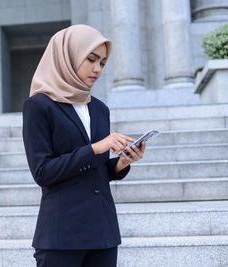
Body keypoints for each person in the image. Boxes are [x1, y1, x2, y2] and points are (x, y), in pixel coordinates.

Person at [22, 24, 146, 267]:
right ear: (67, 57)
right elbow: (43, 172)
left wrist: (121, 162)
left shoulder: (99, 108)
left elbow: (96, 170)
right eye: (91, 59)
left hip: (103, 234)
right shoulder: (39, 105)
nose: (97, 69)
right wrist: (97, 148)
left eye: (103, 62)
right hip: (61, 236)